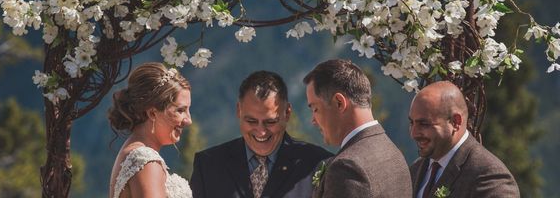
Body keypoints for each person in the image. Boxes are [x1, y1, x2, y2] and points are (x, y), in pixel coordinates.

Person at [190, 70, 331, 198]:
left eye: (270, 122)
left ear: (287, 113)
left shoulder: (320, 164)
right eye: (251, 121)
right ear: (239, 110)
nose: (261, 131)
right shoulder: (208, 165)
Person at [304, 59, 412, 198]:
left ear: (339, 103)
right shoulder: (394, 152)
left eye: (315, 109)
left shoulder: (347, 168)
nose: (313, 120)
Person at [408, 80, 520, 198]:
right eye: (412, 122)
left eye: (424, 124)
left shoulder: (489, 177)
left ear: (456, 122)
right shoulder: (416, 169)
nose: (414, 133)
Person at [108, 62, 193, 198]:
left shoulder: (134, 153)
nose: (189, 120)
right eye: (180, 110)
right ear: (153, 113)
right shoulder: (146, 161)